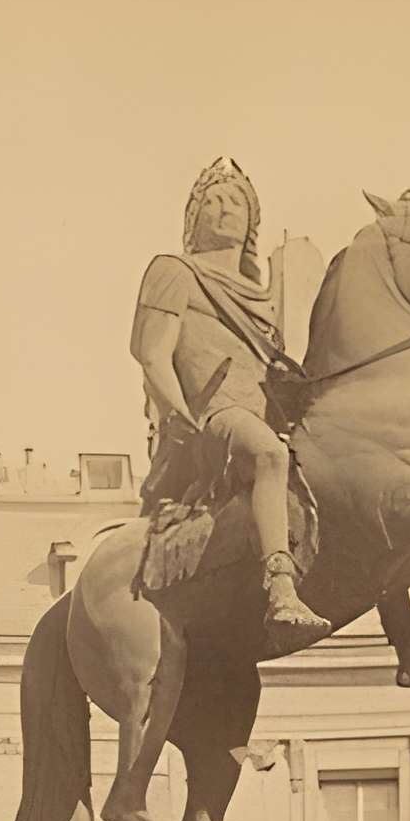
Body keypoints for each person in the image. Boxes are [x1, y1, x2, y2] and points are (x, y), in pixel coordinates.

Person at [131, 158, 330, 653]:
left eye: (236, 201)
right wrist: (180, 416)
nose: (224, 209)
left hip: (262, 417)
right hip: (211, 419)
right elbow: (151, 353)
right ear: (193, 218)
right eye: (212, 201)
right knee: (268, 455)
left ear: (252, 223)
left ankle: (408, 643)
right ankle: (281, 590)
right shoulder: (173, 271)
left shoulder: (263, 298)